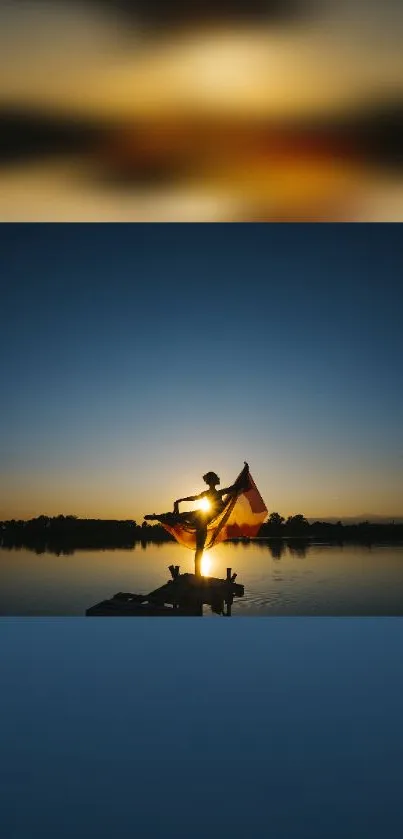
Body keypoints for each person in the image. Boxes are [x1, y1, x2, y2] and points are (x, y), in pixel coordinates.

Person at [145, 462, 249, 575]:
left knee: (196, 542)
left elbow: (234, 488)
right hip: (202, 518)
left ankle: (158, 517)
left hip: (204, 519)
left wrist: (245, 471)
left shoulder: (218, 493)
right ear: (211, 481)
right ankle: (157, 517)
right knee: (185, 523)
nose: (216, 480)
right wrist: (180, 500)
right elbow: (195, 498)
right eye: (214, 479)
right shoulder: (214, 493)